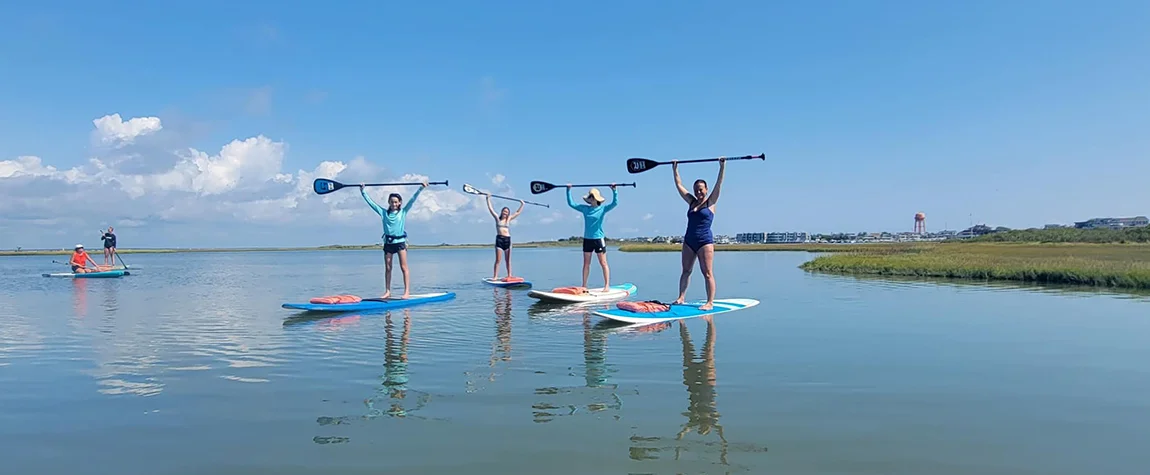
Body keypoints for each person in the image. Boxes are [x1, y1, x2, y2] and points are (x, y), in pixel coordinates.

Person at [672, 156, 726, 310]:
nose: (698, 192)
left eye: (701, 189)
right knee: (686, 271)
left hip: (705, 242)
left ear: (706, 190)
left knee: (707, 273)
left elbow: (719, 184)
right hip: (689, 241)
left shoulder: (711, 202)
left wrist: (722, 167)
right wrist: (675, 169)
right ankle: (681, 297)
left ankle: (709, 302)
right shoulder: (691, 201)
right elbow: (679, 185)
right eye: (696, 189)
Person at [360, 179, 427, 299]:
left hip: (400, 243)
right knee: (388, 268)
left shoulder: (403, 212)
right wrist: (363, 191)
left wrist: (421, 188)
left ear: (400, 203)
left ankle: (406, 292)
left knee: (404, 267)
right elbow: (372, 204)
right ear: (389, 202)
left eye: (396, 202)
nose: (394, 204)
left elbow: (412, 199)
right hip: (388, 243)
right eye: (392, 202)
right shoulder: (383, 213)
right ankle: (387, 291)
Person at [566, 183, 618, 291]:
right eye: (589, 197)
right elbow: (571, 204)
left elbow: (615, 203)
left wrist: (614, 190)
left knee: (603, 263)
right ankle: (584, 285)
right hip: (587, 239)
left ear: (596, 198)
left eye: (592, 197)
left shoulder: (603, 209)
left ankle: (607, 285)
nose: (590, 198)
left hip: (598, 239)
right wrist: (568, 190)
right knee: (586, 264)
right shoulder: (585, 209)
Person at [486, 195, 524, 279]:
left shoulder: (509, 219)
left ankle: (509, 275)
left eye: (506, 212)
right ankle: (495, 276)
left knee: (508, 261)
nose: (505, 213)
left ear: (508, 213)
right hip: (499, 240)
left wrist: (522, 204)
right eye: (504, 211)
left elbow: (517, 212)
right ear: (502, 212)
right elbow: (491, 209)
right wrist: (488, 199)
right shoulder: (497, 219)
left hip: (507, 240)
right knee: (498, 260)